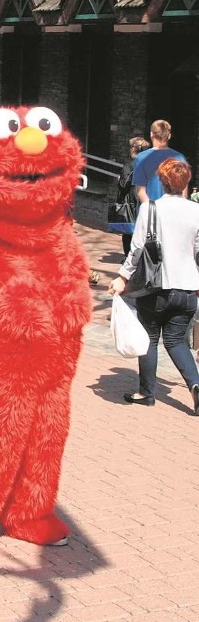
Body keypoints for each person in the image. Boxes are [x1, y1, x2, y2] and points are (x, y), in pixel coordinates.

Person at [110, 158, 199, 414]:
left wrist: (123, 277)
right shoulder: (196, 211)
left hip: (155, 287)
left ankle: (146, 393)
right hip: (187, 288)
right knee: (176, 341)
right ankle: (195, 384)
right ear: (185, 182)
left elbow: (137, 250)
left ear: (162, 181)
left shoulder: (151, 209)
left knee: (149, 338)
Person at [133, 119, 186, 203]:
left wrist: (152, 211)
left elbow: (140, 191)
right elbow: (183, 192)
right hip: (172, 211)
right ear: (169, 136)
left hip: (149, 211)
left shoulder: (141, 157)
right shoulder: (180, 158)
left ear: (151, 134)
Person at [113, 136, 150, 256]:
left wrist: (119, 180)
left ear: (135, 148)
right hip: (148, 199)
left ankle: (129, 257)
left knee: (129, 232)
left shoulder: (129, 165)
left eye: (131, 146)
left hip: (132, 202)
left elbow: (124, 185)